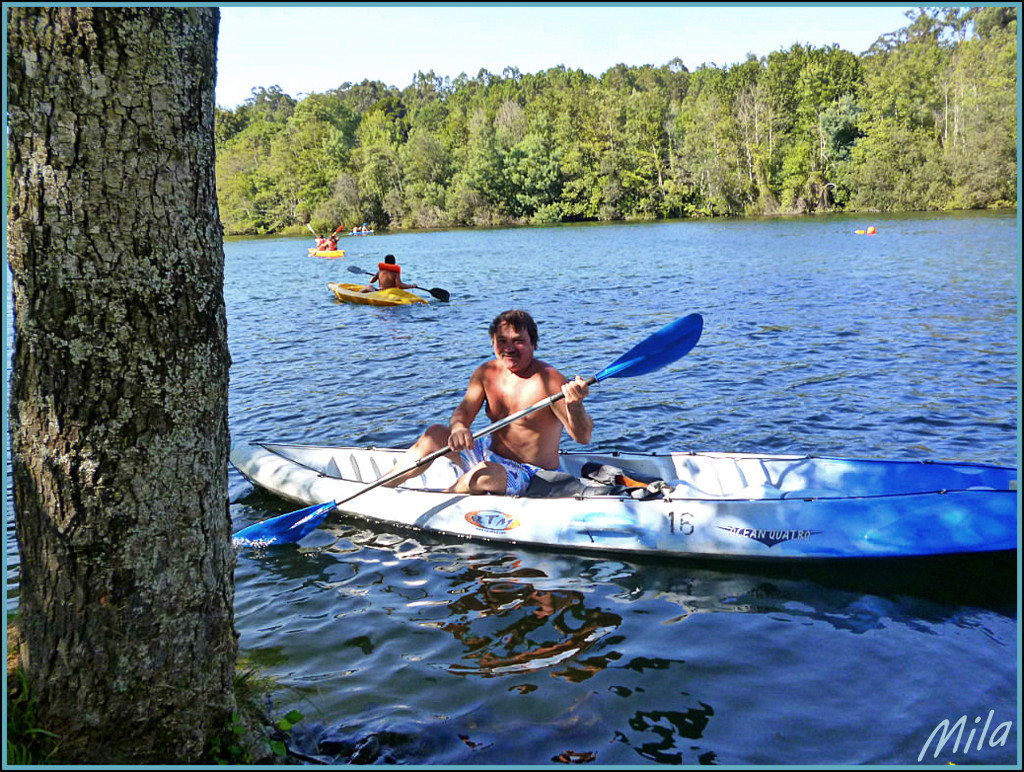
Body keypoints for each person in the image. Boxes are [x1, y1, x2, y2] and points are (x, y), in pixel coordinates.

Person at [382, 309, 592, 495]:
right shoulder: (486, 372)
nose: (509, 348)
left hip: (530, 473)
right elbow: (463, 412)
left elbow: (582, 437)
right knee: (434, 434)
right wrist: (459, 428)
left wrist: (575, 406)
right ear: (493, 343)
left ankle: (439, 499)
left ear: (533, 344)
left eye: (518, 341)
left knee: (484, 474)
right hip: (487, 452)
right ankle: (382, 486)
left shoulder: (550, 381)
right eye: (502, 341)